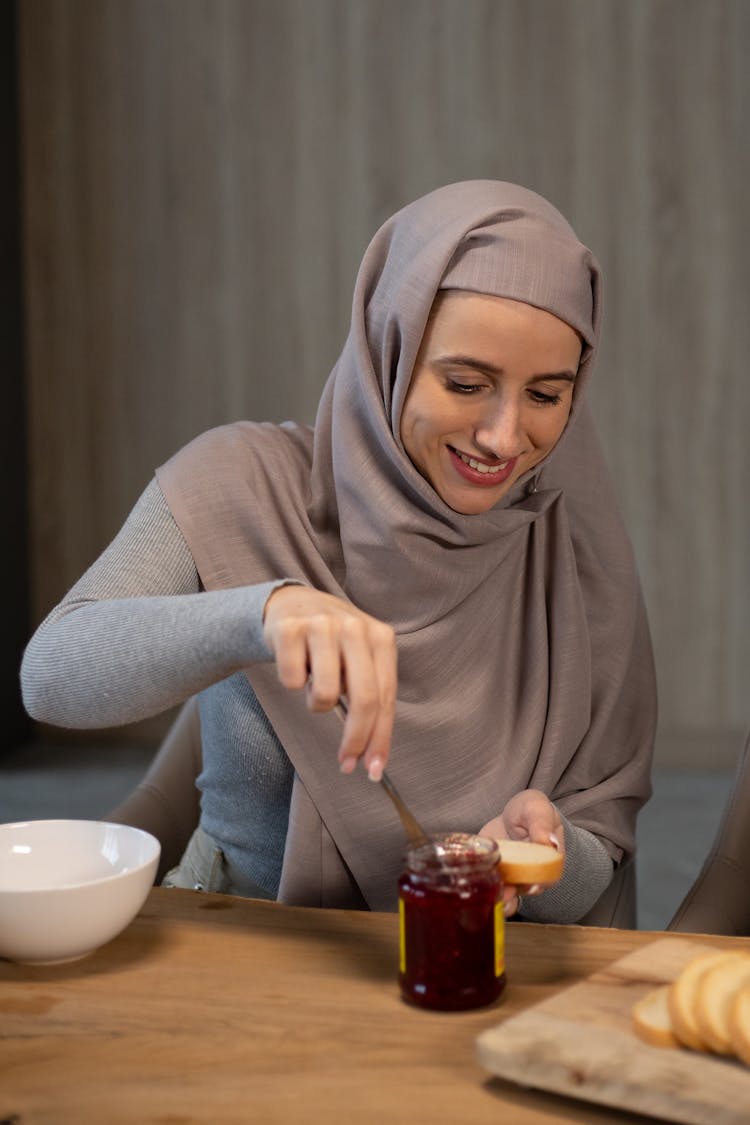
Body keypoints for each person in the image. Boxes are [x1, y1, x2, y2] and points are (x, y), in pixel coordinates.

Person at [21, 180, 656, 921]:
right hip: (228, 962)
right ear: (387, 346)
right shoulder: (244, 487)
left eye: (546, 396)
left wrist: (543, 855)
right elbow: (51, 675)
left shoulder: (577, 561)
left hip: (467, 977)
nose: (504, 437)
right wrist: (263, 613)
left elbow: (598, 857)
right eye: (465, 382)